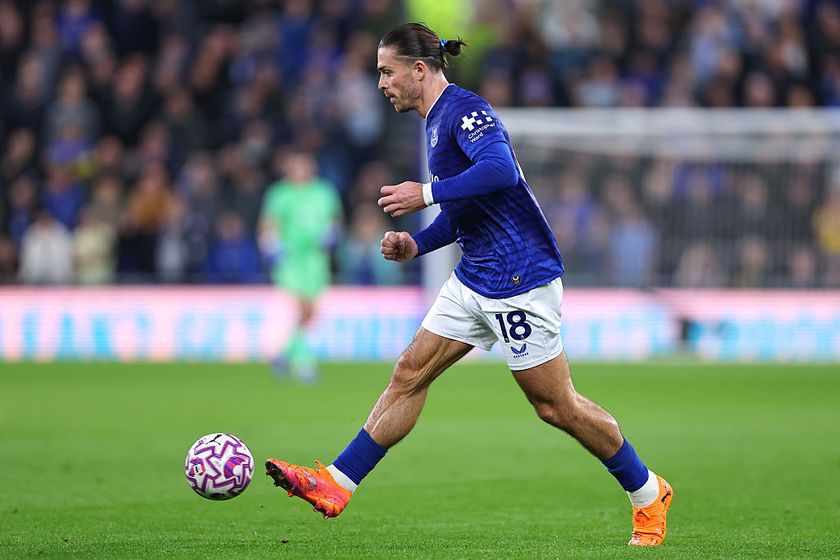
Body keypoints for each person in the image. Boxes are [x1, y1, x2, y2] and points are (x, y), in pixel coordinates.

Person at [265, 23, 674, 547]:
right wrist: (417, 245)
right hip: (475, 274)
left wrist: (426, 192)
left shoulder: (465, 110)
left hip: (519, 276)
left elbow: (500, 172)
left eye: (387, 72)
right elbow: (465, 212)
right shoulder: (433, 124)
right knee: (409, 373)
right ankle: (336, 484)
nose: (381, 83)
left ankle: (647, 491)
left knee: (555, 406)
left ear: (419, 70)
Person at [259, 150, 342, 383]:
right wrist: (271, 246)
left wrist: (331, 235)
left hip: (316, 259)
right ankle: (303, 362)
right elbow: (268, 225)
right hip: (292, 258)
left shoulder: (324, 192)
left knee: (311, 311)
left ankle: (284, 355)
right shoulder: (279, 194)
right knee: (303, 308)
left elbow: (334, 220)